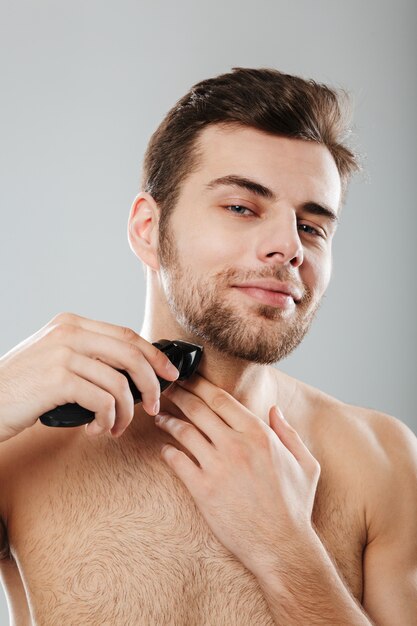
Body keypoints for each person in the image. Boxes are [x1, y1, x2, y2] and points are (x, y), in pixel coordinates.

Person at [0, 67, 416, 625]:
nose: (289, 247)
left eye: (313, 227)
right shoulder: (23, 443)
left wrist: (286, 549)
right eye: (243, 207)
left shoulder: (381, 461)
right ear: (149, 229)